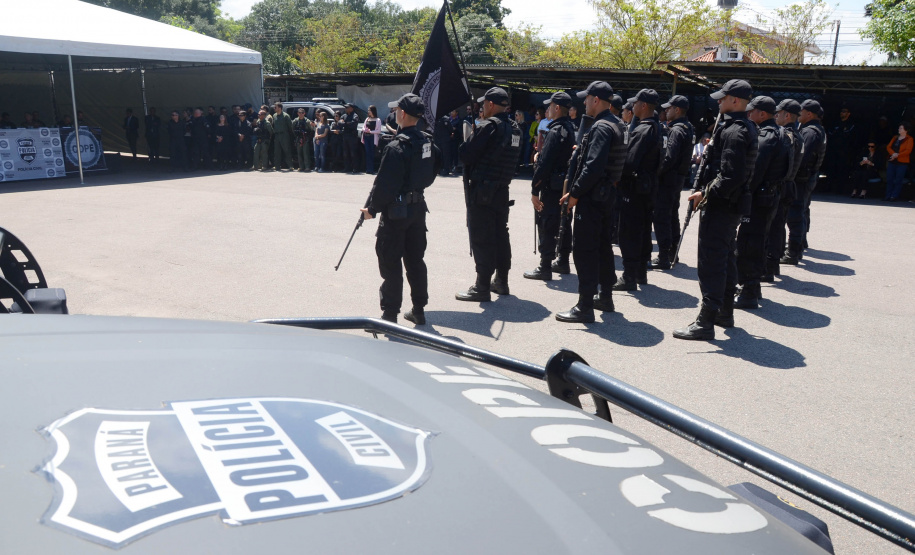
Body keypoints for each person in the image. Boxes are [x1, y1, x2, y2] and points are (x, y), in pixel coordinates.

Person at [674, 79, 758, 341]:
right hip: (729, 205)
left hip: (722, 206)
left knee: (712, 262)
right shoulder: (743, 127)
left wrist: (704, 192)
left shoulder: (735, 131)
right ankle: (724, 311)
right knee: (725, 258)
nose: (718, 102)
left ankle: (706, 320)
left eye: (723, 98)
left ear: (735, 100)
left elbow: (730, 176)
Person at [360, 93, 441, 324]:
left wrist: (372, 210)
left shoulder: (396, 146)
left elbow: (385, 185)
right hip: (417, 209)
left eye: (396, 111)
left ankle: (390, 315)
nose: (394, 114)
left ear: (403, 113)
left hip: (396, 213)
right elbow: (436, 166)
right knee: (415, 261)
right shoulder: (427, 141)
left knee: (391, 261)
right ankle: (419, 310)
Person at [554, 81, 627, 323]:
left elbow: (593, 167)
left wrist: (573, 194)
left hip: (593, 198)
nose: (583, 102)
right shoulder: (618, 124)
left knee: (585, 250)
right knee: (603, 247)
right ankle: (605, 296)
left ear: (596, 100)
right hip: (606, 198)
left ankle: (585, 306)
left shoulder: (602, 127)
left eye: (586, 98)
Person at [455, 87, 522, 302]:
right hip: (502, 189)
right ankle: (501, 280)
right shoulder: (515, 128)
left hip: (483, 190)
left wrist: (471, 135)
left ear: (491, 104)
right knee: (501, 235)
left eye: (484, 104)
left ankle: (482, 286)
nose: (482, 107)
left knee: (482, 237)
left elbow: (466, 155)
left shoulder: (490, 127)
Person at [734, 96, 792, 309]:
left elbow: (754, 172)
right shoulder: (781, 134)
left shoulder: (767, 137)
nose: (748, 114)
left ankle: (748, 292)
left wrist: (741, 194)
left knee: (749, 244)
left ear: (762, 113)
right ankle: (753, 287)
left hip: (760, 199)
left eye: (752, 111)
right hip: (770, 196)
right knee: (758, 241)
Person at [524, 92, 576, 282]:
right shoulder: (570, 128)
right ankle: (562, 260)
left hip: (552, 186)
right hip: (563, 186)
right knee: (564, 223)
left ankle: (545, 266)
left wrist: (534, 189)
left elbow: (545, 163)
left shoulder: (555, 131)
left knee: (547, 223)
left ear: (556, 108)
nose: (547, 110)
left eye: (550, 106)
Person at [614, 89, 663, 291]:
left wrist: (616, 176)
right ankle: (640, 272)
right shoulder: (658, 128)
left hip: (634, 189)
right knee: (642, 231)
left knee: (630, 233)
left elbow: (630, 162)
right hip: (649, 187)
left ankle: (629, 276)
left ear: (644, 106)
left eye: (635, 103)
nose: (632, 107)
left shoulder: (643, 130)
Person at [651, 95, 695, 270]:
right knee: (672, 216)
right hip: (678, 178)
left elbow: (669, 158)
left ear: (677, 110)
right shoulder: (688, 127)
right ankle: (673, 252)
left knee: (661, 216)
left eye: (669, 108)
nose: (665, 111)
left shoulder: (676, 130)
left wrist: (656, 173)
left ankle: (663, 255)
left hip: (668, 179)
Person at [781, 99, 827, 265]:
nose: (798, 114)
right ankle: (800, 242)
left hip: (801, 179)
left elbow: (801, 157)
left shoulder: (810, 132)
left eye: (802, 111)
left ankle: (793, 251)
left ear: (809, 114)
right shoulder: (816, 130)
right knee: (802, 211)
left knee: (795, 214)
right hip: (808, 177)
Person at [764, 99, 804, 282]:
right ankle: (773, 265)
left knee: (772, 228)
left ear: (787, 115)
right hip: (789, 185)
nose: (776, 116)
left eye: (778, 113)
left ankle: (769, 267)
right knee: (777, 227)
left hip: (782, 185)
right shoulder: (798, 135)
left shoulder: (786, 135)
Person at [826, 107, 857, 192]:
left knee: (842, 170)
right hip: (833, 150)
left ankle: (840, 188)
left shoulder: (851, 125)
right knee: (831, 168)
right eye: (841, 111)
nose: (842, 113)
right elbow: (830, 133)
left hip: (844, 152)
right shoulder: (835, 123)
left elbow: (851, 138)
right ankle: (829, 186)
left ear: (848, 113)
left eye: (844, 111)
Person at [884, 122, 913, 201]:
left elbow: (908, 151)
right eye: (899, 128)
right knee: (889, 179)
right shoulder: (895, 137)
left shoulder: (909, 139)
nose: (899, 129)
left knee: (898, 179)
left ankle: (894, 196)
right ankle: (888, 195)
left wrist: (897, 155)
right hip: (892, 160)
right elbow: (888, 147)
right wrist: (893, 154)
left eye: (901, 128)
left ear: (905, 130)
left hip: (902, 162)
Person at [271, 103, 293, 170]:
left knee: (287, 150)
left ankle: (290, 166)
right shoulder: (274, 116)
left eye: (276, 107)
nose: (274, 108)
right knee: (277, 151)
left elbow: (290, 127)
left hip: (284, 135)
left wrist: (290, 135)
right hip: (277, 135)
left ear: (280, 108)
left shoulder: (286, 116)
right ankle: (277, 166)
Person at [292, 108, 315, 172]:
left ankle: (307, 167)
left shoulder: (307, 121)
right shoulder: (295, 121)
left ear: (304, 113)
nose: (301, 114)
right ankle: (301, 166)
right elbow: (292, 129)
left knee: (306, 153)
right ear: (297, 113)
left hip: (305, 139)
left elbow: (311, 130)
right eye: (299, 113)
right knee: (299, 153)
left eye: (302, 113)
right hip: (298, 139)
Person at [362, 105, 383, 174]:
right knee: (367, 152)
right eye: (368, 110)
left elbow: (378, 130)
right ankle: (368, 168)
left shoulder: (378, 120)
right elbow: (363, 127)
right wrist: (365, 130)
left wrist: (370, 131)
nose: (369, 112)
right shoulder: (367, 119)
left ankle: (371, 169)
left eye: (370, 110)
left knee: (371, 153)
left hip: (372, 137)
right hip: (366, 137)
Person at [342, 103, 361, 173]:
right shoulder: (344, 115)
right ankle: (347, 168)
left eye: (347, 107)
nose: (346, 109)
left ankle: (355, 168)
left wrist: (345, 124)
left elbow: (353, 124)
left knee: (353, 153)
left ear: (351, 108)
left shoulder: (355, 115)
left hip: (352, 136)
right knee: (345, 153)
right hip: (345, 136)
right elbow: (340, 123)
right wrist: (347, 124)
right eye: (345, 107)